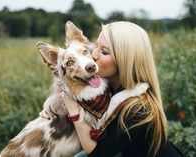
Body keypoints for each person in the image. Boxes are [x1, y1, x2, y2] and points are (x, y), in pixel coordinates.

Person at [59, 21, 183, 157]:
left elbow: (97, 154)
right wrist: (55, 111)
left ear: (125, 61)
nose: (94, 55)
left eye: (104, 52)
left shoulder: (139, 109)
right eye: (95, 46)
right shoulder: (109, 87)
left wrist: (73, 111)